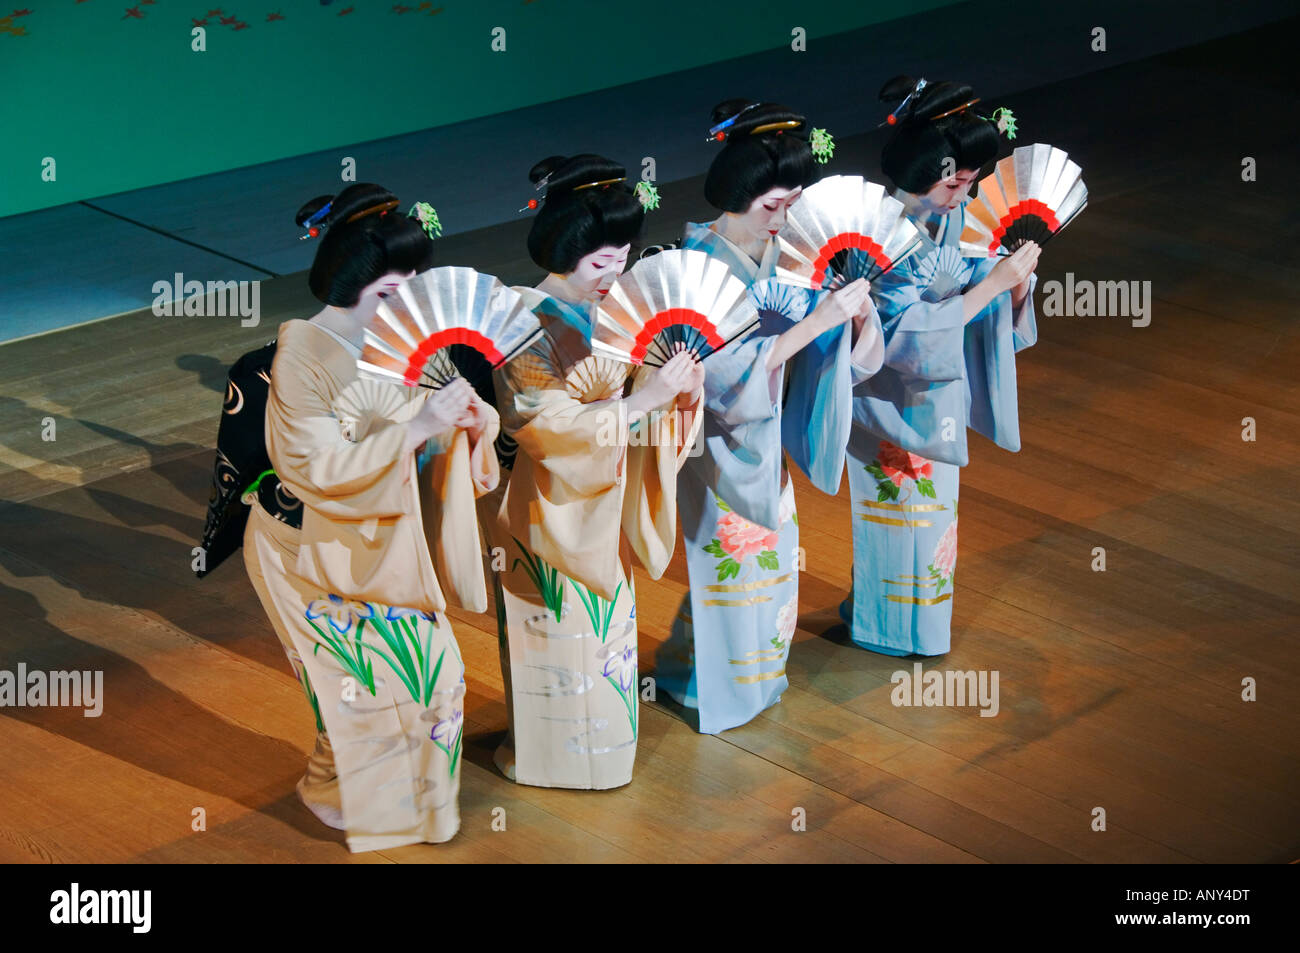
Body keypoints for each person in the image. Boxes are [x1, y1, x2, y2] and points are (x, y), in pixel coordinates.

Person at [242, 183, 500, 850]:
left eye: (411, 286)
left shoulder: (408, 339)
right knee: (356, 684)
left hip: (388, 541)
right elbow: (314, 466)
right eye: (391, 290)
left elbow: (444, 415)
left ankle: (394, 799)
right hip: (309, 547)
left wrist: (472, 423)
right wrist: (418, 425)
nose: (405, 302)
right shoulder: (304, 352)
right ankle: (341, 791)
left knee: (432, 675)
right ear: (352, 281)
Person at [655, 101, 882, 735]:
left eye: (791, 204)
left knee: (770, 561)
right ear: (737, 196)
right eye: (773, 206)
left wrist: (853, 321)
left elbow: (817, 356)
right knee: (730, 561)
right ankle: (717, 689)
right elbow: (724, 379)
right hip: (719, 438)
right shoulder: (696, 267)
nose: (785, 219)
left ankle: (697, 671)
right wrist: (816, 323)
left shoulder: (783, 259)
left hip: (765, 432)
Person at [487, 154, 704, 789]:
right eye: (599, 261)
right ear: (562, 250)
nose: (615, 274)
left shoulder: (622, 318)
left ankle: (604, 751)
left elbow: (652, 421)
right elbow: (545, 428)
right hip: (546, 503)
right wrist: (642, 401)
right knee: (555, 632)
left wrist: (681, 392)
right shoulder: (524, 324)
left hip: (607, 500)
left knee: (605, 639)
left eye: (623, 257)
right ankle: (547, 757)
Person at [844, 76, 1039, 657]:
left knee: (931, 521)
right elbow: (904, 337)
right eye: (955, 182)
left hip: (937, 398)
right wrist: (992, 287)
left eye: (972, 182)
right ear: (922, 172)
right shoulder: (878, 235)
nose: (964, 194)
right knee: (892, 516)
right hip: (887, 394)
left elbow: (978, 299)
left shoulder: (954, 222)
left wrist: (1015, 290)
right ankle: (882, 626)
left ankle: (909, 625)